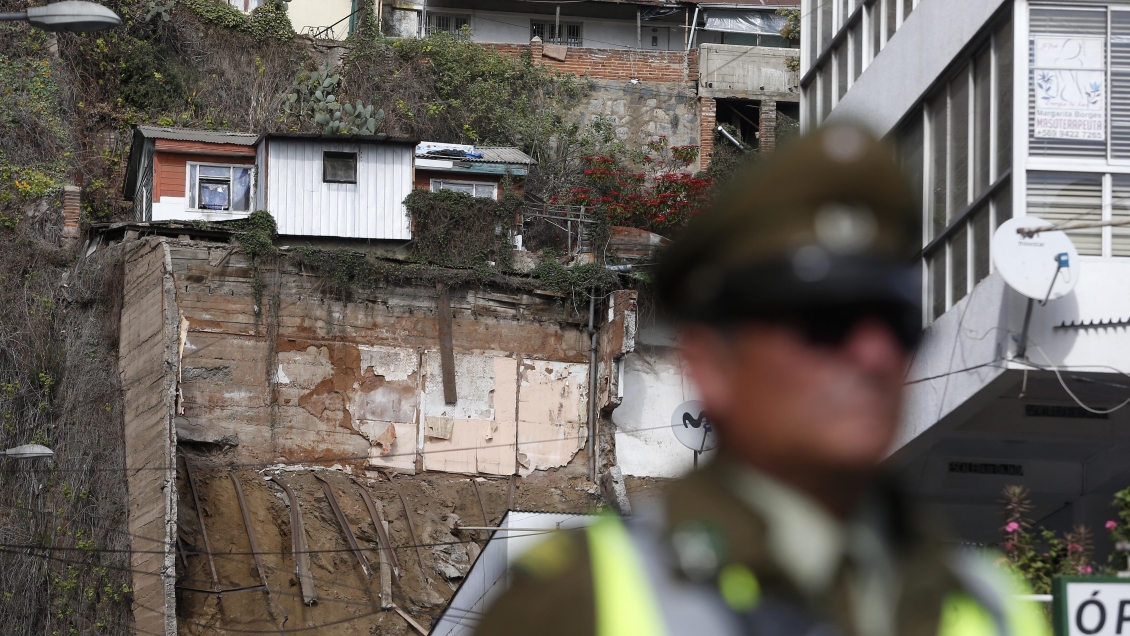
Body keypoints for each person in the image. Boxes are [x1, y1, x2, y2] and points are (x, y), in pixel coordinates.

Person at [472, 125, 1048, 636]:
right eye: (825, 322)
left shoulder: (995, 610)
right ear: (712, 363)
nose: (873, 355)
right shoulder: (577, 605)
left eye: (895, 325)